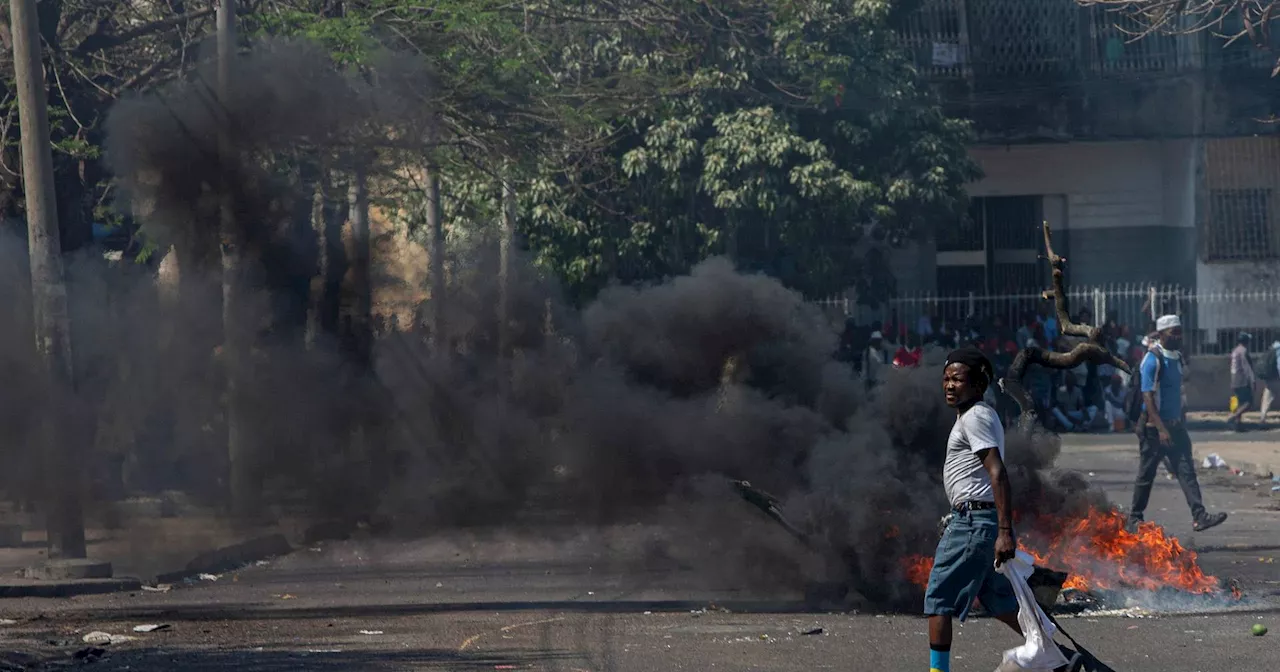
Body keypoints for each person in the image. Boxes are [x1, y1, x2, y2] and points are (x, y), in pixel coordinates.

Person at [925, 347, 1079, 672]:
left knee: (938, 599)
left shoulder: (976, 417)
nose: (949, 386)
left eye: (958, 380)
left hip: (972, 523)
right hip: (976, 520)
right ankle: (1060, 658)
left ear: (978, 385)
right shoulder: (977, 415)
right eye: (946, 379)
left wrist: (1005, 531)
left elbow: (997, 471)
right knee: (1001, 601)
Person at [1128, 315, 1229, 533]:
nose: (1178, 336)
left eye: (1179, 331)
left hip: (1175, 426)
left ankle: (1199, 516)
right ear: (1161, 334)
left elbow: (1176, 393)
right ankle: (1134, 518)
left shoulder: (1177, 357)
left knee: (1186, 470)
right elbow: (1148, 398)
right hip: (1154, 429)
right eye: (1174, 332)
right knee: (1146, 474)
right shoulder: (1152, 360)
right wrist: (1161, 429)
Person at [1227, 332, 1256, 431]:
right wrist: (1252, 380)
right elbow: (1246, 367)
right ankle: (1233, 417)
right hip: (1242, 380)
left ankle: (1237, 425)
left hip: (1234, 379)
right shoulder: (1243, 351)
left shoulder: (1234, 351)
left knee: (1238, 402)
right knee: (1248, 402)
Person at [1260, 341, 1280, 425]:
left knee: (1267, 398)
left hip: (1269, 378)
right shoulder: (1278, 350)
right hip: (1276, 377)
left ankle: (1262, 417)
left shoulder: (1270, 350)